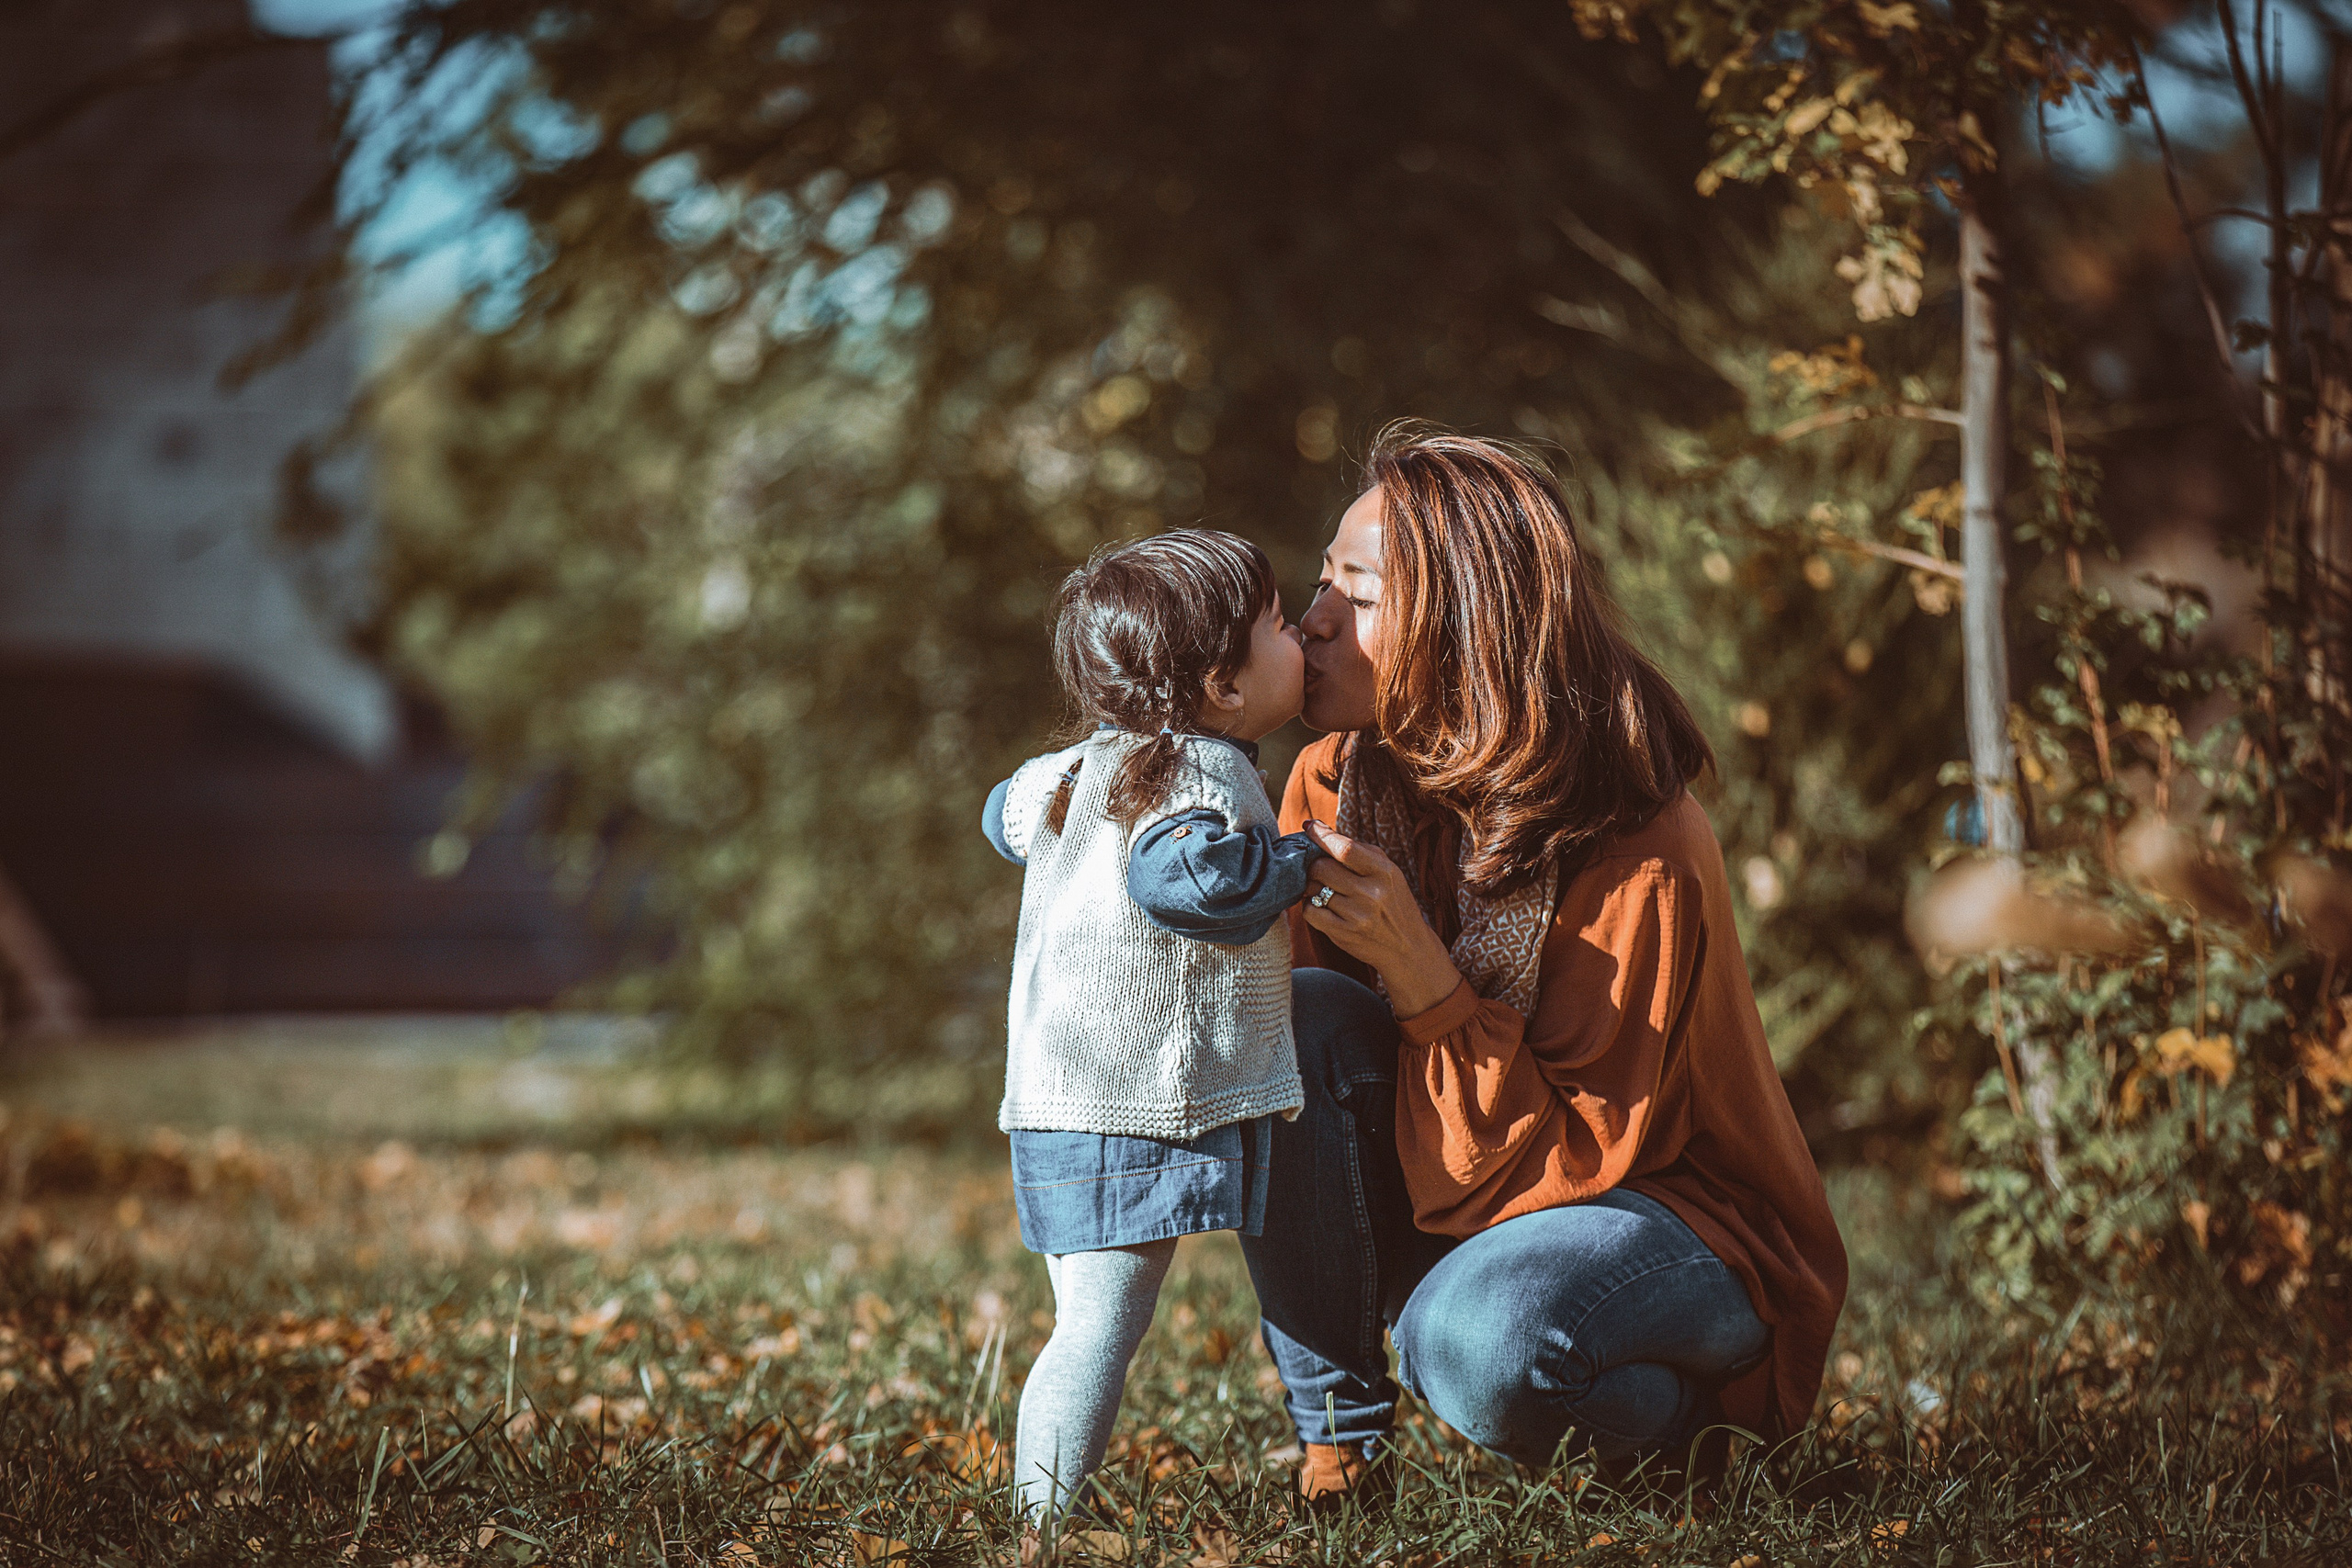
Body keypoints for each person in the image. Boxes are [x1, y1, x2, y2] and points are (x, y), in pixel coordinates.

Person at [1245, 424, 1849, 1506]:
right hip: (1470, 1201)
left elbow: (1583, 1160)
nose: (1313, 621)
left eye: (1362, 596)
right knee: (1301, 1017)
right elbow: (1281, 1086)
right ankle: (1339, 1446)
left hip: (1672, 1221)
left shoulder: (1632, 840)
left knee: (1479, 1343)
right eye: (1320, 582)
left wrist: (1424, 976)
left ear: (1465, 631)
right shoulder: (1334, 782)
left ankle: (1699, 1442)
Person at [979, 529, 1320, 1523]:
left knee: (1087, 1316)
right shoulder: (1201, 777)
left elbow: (999, 811)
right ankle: (1039, 1524)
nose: (1300, 633)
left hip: (1059, 1095)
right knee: (1099, 1324)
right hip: (1131, 1104)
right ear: (1222, 684)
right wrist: (1298, 862)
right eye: (1278, 625)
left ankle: (1043, 1506)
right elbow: (1183, 880)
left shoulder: (1072, 771)